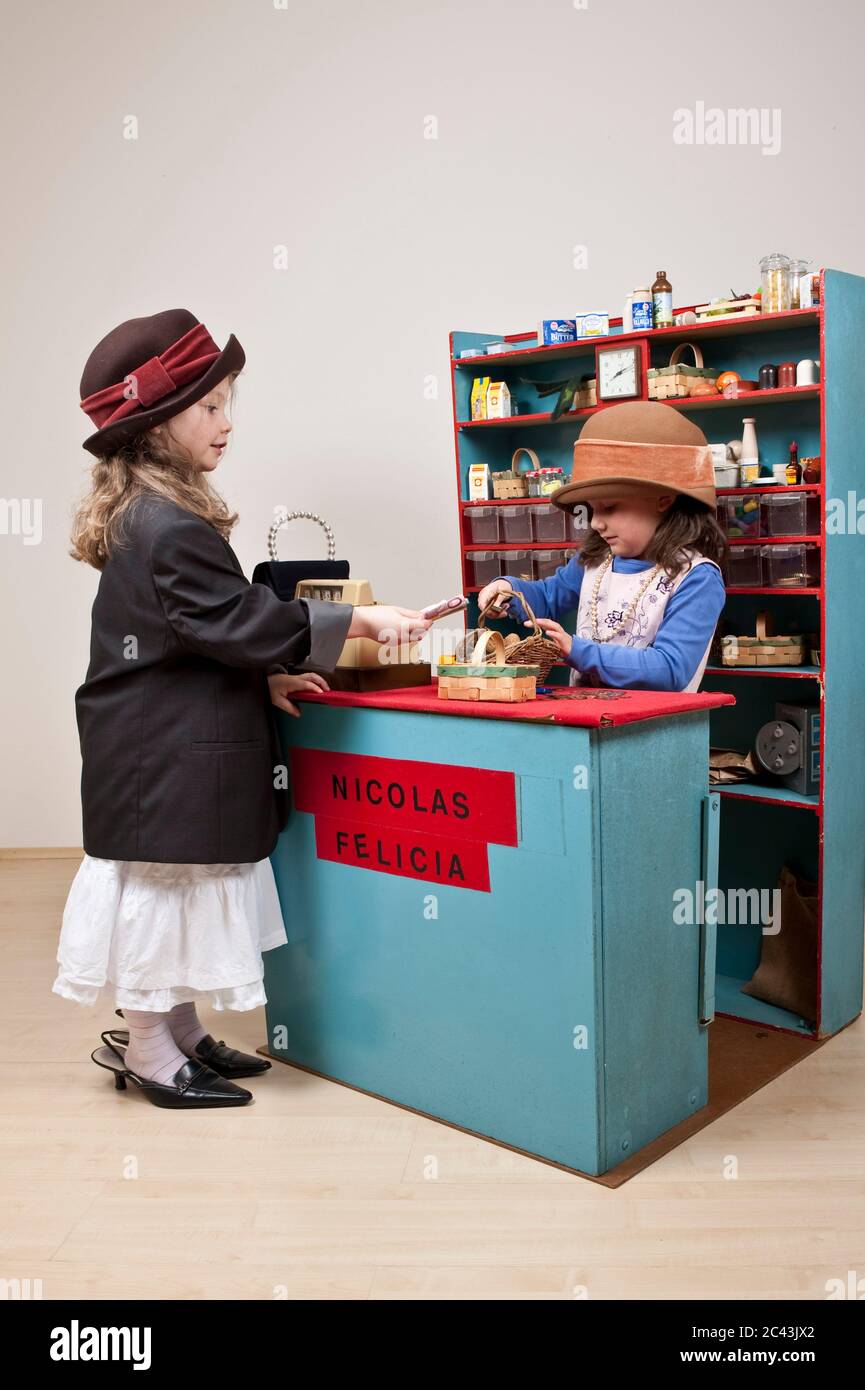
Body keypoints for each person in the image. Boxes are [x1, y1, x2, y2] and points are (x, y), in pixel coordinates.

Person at [55, 308, 431, 1109]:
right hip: (162, 750)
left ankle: (179, 1030)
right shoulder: (166, 525)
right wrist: (359, 620)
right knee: (168, 888)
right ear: (157, 427)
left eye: (228, 403)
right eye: (211, 406)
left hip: (156, 733)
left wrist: (263, 679)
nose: (228, 424)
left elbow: (187, 633)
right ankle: (152, 1051)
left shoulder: (155, 514)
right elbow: (236, 620)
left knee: (186, 882)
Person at [477, 401, 728, 692]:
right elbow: (548, 597)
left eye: (609, 507)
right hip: (589, 726)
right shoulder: (595, 560)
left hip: (654, 733)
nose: (595, 522)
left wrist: (579, 651)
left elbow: (670, 668)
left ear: (663, 499)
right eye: (592, 510)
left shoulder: (696, 578)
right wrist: (507, 590)